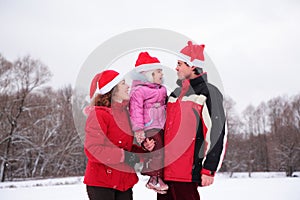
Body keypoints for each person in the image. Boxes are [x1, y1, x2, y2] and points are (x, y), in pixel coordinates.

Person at [157, 41, 227, 200]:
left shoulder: (209, 92)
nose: (176, 68)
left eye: (179, 64)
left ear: (193, 66)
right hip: (166, 172)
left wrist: (209, 168)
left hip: (187, 171)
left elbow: (217, 131)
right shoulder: (174, 94)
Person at [83, 69, 155, 200]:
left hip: (124, 183)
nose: (128, 86)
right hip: (102, 184)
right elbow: (93, 150)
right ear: (112, 90)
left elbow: (126, 147)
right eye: (123, 83)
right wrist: (125, 156)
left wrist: (145, 150)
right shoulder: (99, 114)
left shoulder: (125, 113)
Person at [129, 52, 168, 193]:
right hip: (149, 126)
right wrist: (139, 130)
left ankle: (158, 177)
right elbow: (135, 111)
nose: (161, 74)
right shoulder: (139, 91)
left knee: (163, 152)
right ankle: (153, 178)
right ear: (148, 73)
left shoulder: (162, 90)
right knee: (156, 151)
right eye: (158, 71)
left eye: (161, 71)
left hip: (161, 125)